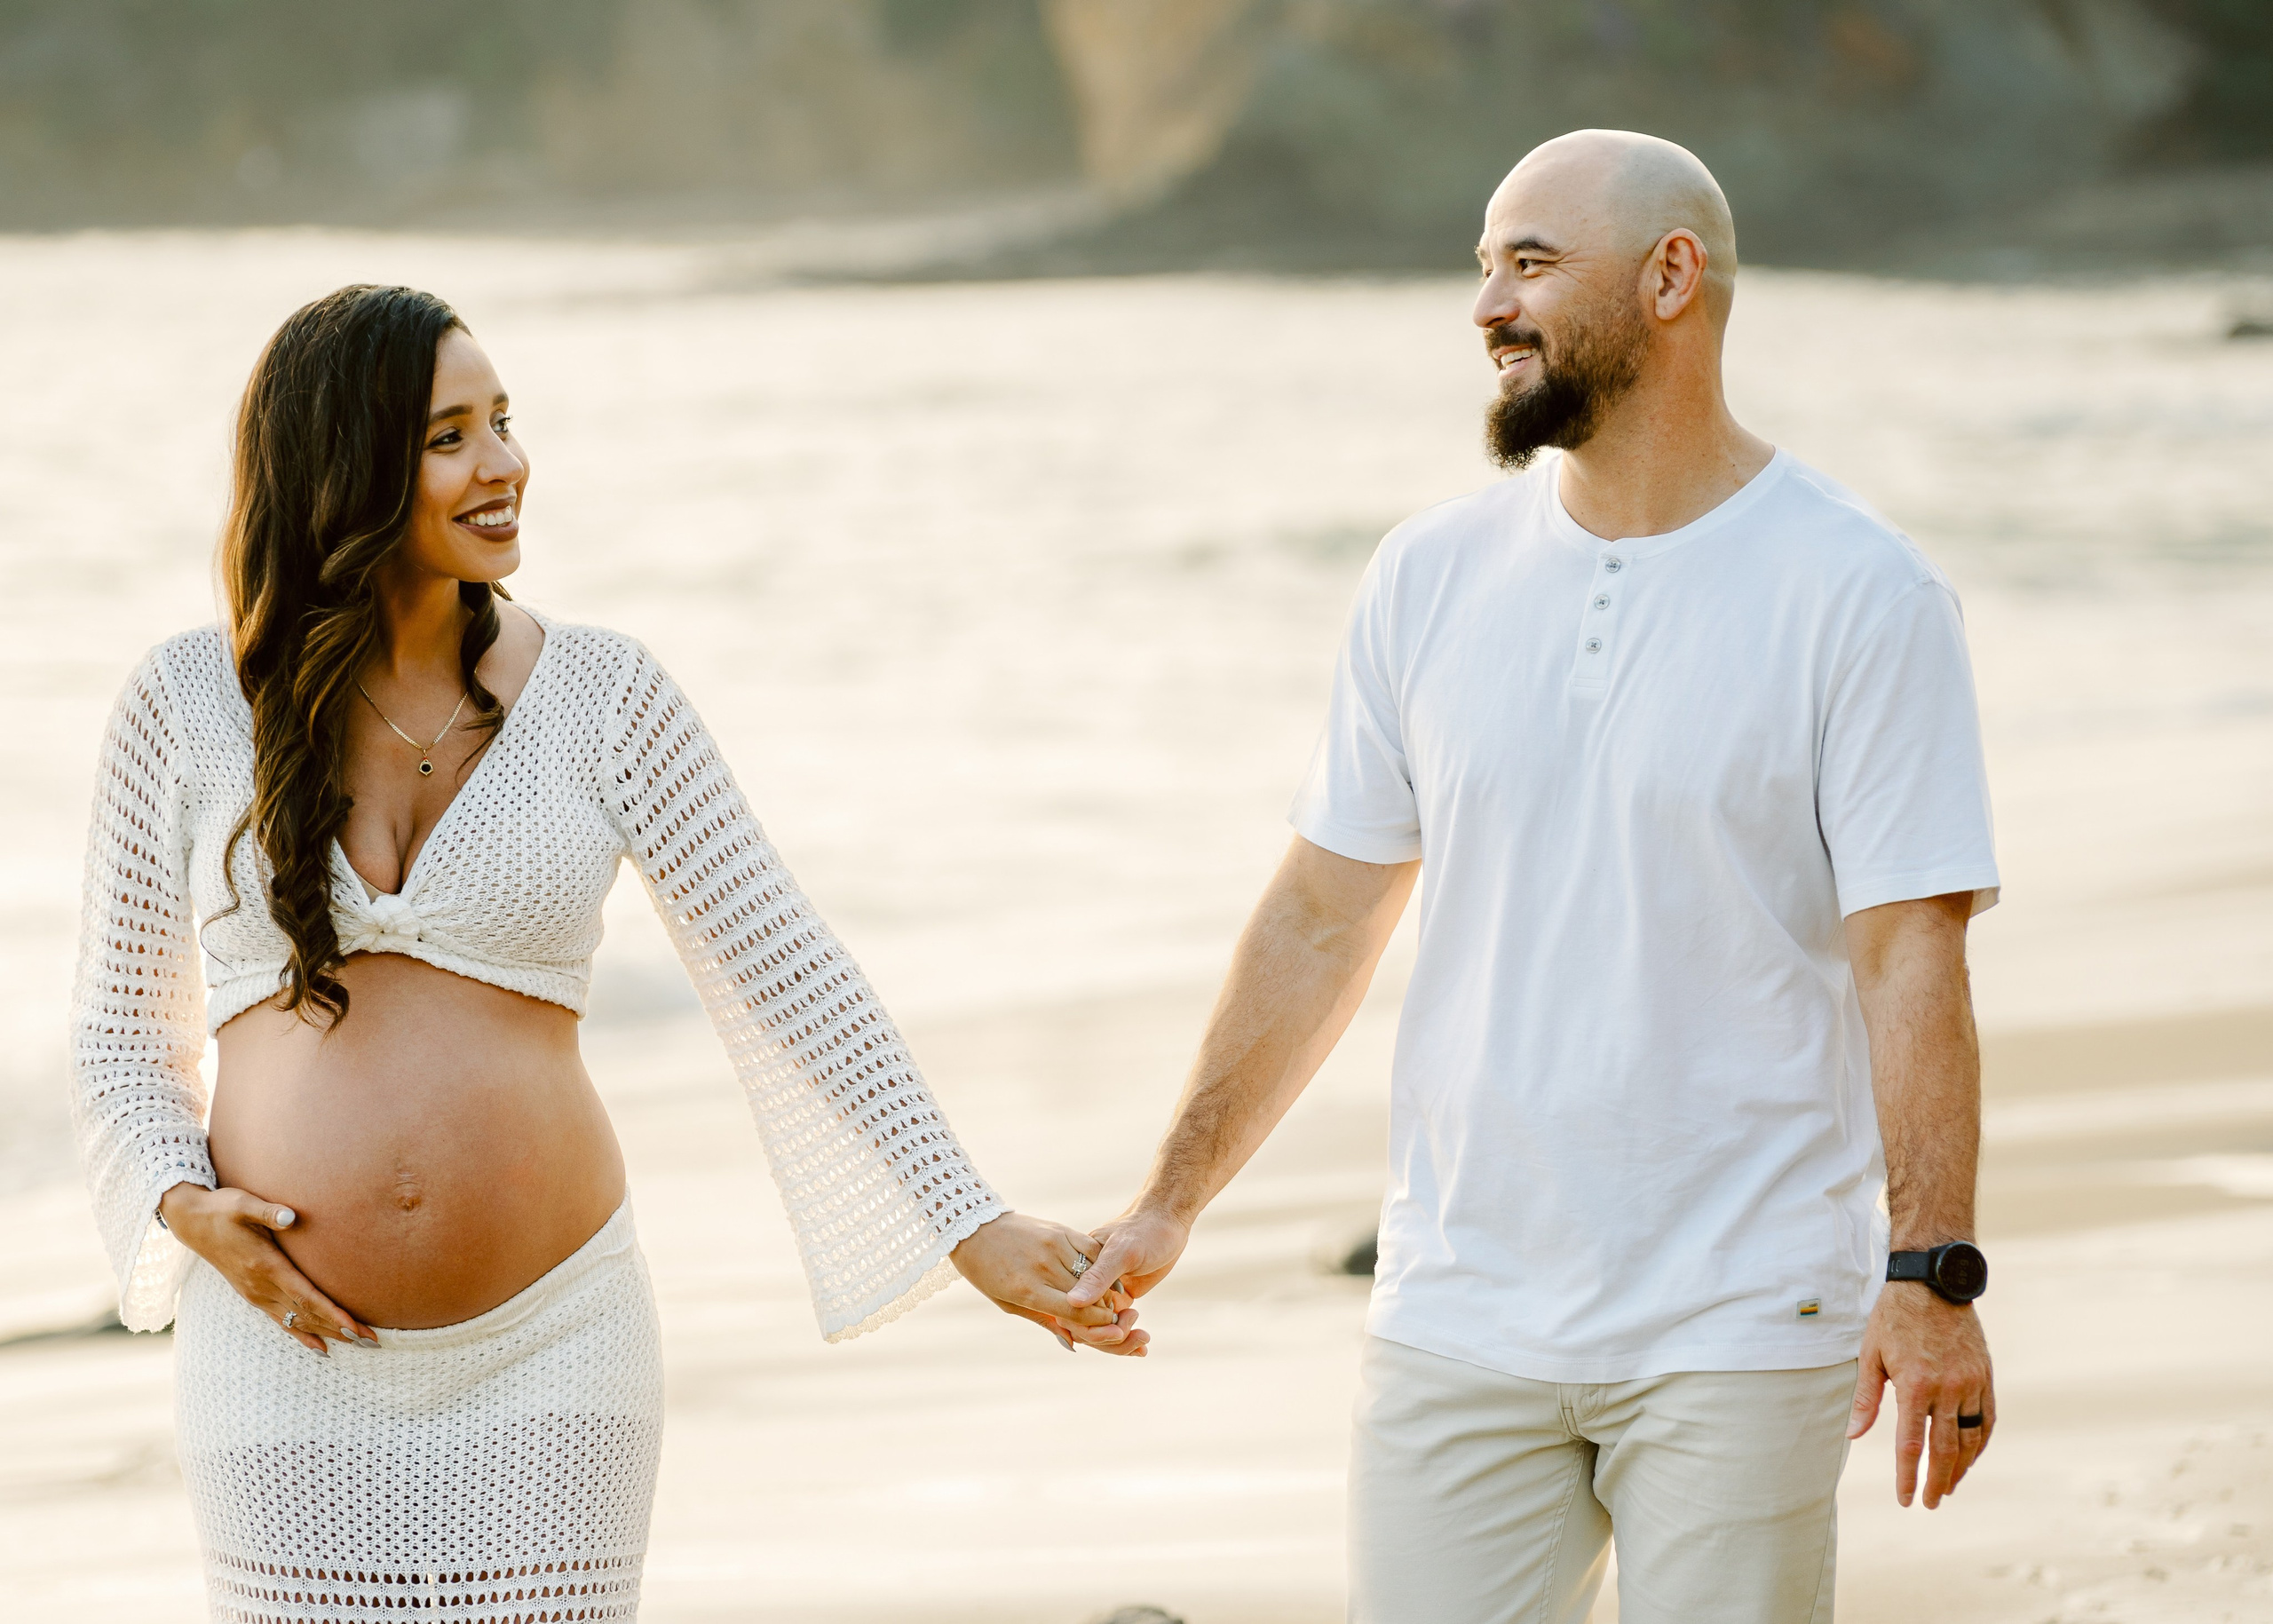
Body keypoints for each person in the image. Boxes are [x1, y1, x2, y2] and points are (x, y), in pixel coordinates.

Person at [70, 283, 1140, 1623]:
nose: (507, 464)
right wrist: (178, 1202)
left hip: (553, 1350)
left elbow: (792, 975)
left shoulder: (606, 696)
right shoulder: (183, 702)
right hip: (285, 1361)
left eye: (506, 422)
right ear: (344, 464)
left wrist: (969, 1225)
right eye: (450, 434)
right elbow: (119, 1028)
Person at [1068, 130, 2000, 1622]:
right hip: (1460, 1303)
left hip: (1744, 1311)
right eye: (1482, 266)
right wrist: (1175, 1197)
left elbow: (1910, 953)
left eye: (1530, 262)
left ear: (1672, 279)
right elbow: (1322, 914)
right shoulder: (1426, 577)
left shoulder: (1858, 592)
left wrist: (1931, 1274)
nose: (1487, 304)